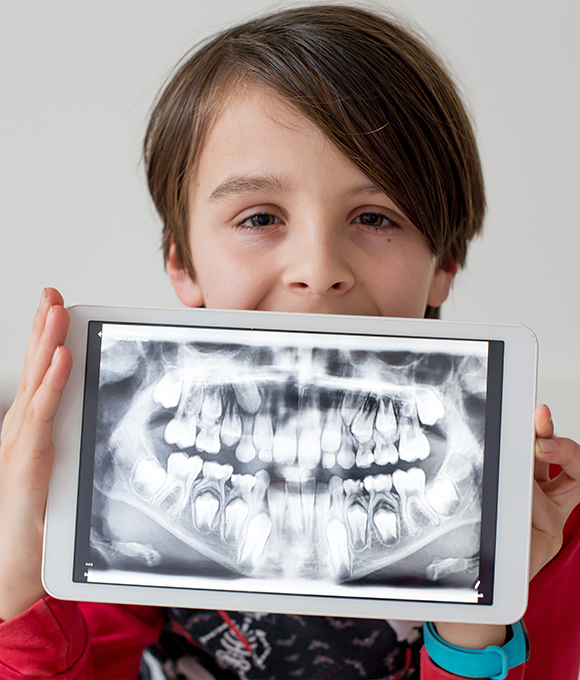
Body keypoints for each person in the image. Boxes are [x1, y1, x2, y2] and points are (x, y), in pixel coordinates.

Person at [1, 5, 579, 679]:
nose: (317, 269)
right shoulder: (127, 486)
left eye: (373, 216)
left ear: (444, 262)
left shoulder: (539, 535)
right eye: (260, 217)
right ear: (182, 263)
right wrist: (18, 591)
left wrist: (473, 632)